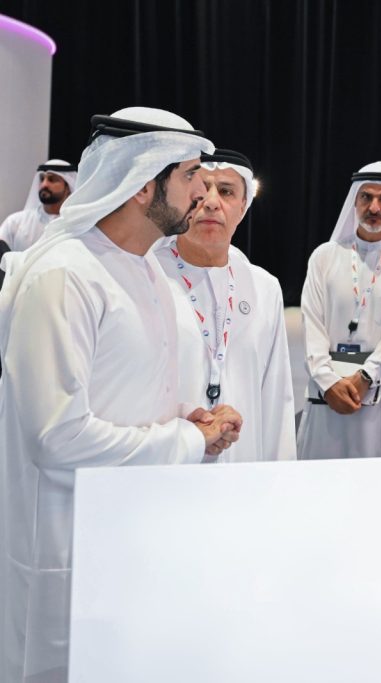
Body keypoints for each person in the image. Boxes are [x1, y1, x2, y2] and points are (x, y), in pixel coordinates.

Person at [0, 107, 243, 683]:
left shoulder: (146, 270)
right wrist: (187, 439)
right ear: (141, 185)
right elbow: (57, 436)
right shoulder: (65, 274)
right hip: (66, 544)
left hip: (132, 531)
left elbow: (124, 389)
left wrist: (191, 418)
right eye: (190, 175)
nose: (203, 192)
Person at [155, 148, 296, 462]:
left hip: (243, 465)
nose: (211, 202)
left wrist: (280, 478)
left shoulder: (264, 287)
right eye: (201, 190)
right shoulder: (148, 275)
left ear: (243, 206)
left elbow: (276, 397)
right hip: (168, 462)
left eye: (226, 191)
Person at [297, 161, 381, 459]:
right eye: (366, 197)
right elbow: (312, 324)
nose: (374, 207)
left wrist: (368, 376)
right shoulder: (324, 256)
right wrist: (327, 381)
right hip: (329, 391)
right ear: (354, 201)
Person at [0, 160, 77, 253]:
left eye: (52, 179)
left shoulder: (78, 225)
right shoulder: (15, 222)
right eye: (42, 179)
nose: (44, 185)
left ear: (68, 187)